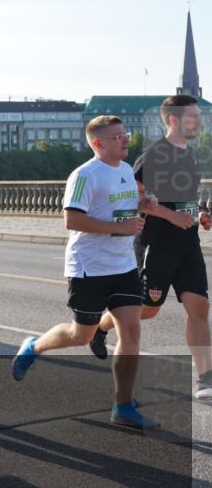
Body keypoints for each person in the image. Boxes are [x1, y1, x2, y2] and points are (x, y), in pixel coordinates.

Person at [12, 115, 160, 428]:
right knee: (82, 335)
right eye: (118, 136)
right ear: (98, 143)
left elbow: (124, 207)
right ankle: (34, 346)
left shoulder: (124, 170)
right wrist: (117, 226)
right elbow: (72, 220)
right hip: (88, 267)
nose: (125, 140)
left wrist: (143, 203)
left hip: (123, 266)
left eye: (125, 134)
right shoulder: (84, 175)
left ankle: (122, 406)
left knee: (131, 330)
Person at [88, 96, 212, 400]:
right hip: (157, 245)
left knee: (199, 306)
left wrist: (200, 214)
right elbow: (135, 197)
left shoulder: (191, 155)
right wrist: (171, 216)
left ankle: (205, 379)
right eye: (193, 116)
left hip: (188, 244)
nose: (199, 121)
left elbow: (185, 197)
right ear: (173, 120)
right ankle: (100, 327)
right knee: (147, 310)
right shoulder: (154, 155)